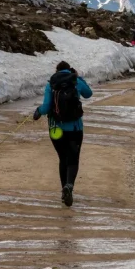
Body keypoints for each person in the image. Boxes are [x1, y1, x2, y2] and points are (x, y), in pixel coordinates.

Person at [33, 61, 92, 207]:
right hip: (75, 128)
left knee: (63, 158)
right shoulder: (75, 81)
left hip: (56, 130)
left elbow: (46, 107)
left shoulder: (51, 84)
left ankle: (63, 189)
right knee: (73, 158)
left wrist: (38, 111)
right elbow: (88, 94)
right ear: (69, 69)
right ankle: (69, 186)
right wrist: (79, 77)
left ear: (57, 71)